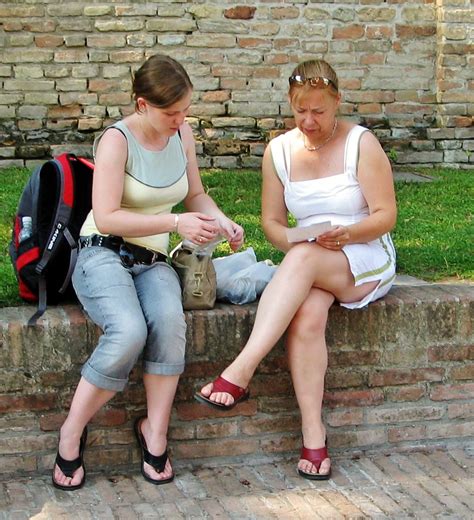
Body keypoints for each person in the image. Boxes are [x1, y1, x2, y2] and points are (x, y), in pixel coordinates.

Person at [195, 59, 397, 480]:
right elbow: (271, 224)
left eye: (318, 111)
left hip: (362, 254)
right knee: (306, 315)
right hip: (310, 257)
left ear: (337, 102)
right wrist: (297, 237)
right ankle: (313, 437)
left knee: (301, 260)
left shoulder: (362, 143)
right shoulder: (279, 152)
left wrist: (346, 234)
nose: (308, 120)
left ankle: (241, 370)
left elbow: (385, 216)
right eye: (300, 110)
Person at [52, 54, 244, 490]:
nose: (181, 119)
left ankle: (154, 433)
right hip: (102, 252)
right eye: (171, 112)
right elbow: (108, 214)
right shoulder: (117, 140)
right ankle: (71, 431)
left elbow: (195, 194)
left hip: (153, 259)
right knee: (127, 330)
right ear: (142, 105)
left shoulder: (183, 134)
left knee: (171, 323)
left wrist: (222, 220)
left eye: (185, 110)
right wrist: (174, 223)